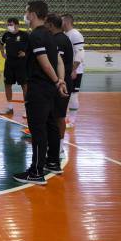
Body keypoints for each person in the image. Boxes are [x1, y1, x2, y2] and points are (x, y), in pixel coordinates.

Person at [14, 1, 67, 185]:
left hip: (39, 88)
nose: (25, 15)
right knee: (51, 125)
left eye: (26, 11)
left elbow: (44, 62)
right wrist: (60, 80)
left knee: (38, 130)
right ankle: (53, 161)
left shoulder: (36, 36)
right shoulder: (51, 34)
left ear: (33, 14)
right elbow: (58, 61)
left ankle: (36, 171)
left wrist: (55, 80)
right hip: (50, 89)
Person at [46, 13, 73, 162]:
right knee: (56, 115)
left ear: (50, 25)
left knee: (58, 116)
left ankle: (59, 147)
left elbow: (58, 63)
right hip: (60, 81)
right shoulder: (61, 38)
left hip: (61, 82)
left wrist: (58, 81)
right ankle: (56, 146)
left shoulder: (59, 40)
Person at [0, 17, 28, 115]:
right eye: (8, 24)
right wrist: (2, 53)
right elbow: (1, 44)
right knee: (7, 84)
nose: (9, 26)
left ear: (17, 25)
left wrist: (25, 53)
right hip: (9, 63)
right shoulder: (6, 35)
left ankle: (27, 109)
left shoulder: (24, 35)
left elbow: (32, 47)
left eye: (11, 24)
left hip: (22, 64)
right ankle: (10, 108)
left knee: (24, 85)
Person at [62, 13, 86, 117]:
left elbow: (80, 53)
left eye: (61, 21)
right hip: (67, 70)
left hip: (75, 70)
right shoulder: (65, 34)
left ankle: (72, 120)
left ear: (66, 22)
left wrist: (73, 69)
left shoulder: (75, 34)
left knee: (73, 95)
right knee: (66, 94)